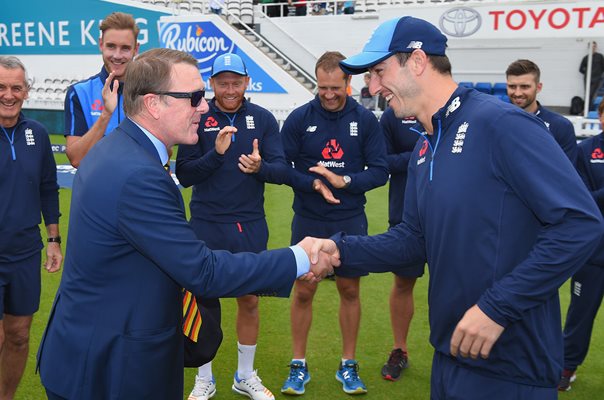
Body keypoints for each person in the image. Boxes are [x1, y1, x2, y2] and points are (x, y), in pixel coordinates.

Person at [309, 16, 603, 399]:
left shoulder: (501, 124)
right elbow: (414, 240)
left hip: (512, 365)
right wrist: (341, 250)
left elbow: (579, 224)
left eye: (379, 71)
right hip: (449, 356)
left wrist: (498, 308)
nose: (374, 87)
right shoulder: (424, 145)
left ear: (416, 61)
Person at [36, 48, 336, 400]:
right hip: (111, 368)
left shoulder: (122, 150)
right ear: (153, 104)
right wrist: (300, 257)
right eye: (193, 98)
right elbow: (204, 272)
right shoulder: (137, 174)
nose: (204, 107)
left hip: (99, 351)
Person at [176, 53, 289, 400]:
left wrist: (261, 167)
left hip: (250, 224)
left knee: (249, 299)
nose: (229, 89)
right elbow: (184, 174)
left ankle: (244, 375)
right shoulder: (197, 115)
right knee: (202, 302)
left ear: (246, 82)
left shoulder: (264, 119)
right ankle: (204, 377)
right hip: (207, 223)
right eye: (222, 82)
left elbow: (282, 169)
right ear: (211, 84)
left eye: (235, 82)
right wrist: (217, 155)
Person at [280, 51, 388, 396]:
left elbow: (380, 170)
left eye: (335, 87)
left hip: (350, 218)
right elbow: (283, 167)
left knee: (350, 289)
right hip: (309, 219)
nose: (328, 94)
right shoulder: (299, 118)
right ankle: (298, 365)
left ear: (348, 83)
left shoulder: (366, 120)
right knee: (304, 289)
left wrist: (346, 183)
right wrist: (312, 183)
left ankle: (348, 364)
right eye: (322, 87)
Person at [0, 56, 63, 399]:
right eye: (1, 87)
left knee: (19, 335)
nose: (8, 95)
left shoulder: (36, 134)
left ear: (26, 91)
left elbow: (48, 188)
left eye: (15, 87)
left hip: (25, 252)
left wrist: (53, 239)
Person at [558, 99, 604, 392]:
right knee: (580, 314)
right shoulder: (587, 150)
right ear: (600, 117)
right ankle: (566, 366)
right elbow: (580, 197)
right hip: (594, 252)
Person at [378, 107, 424, 382]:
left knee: (455, 285)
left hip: (450, 216)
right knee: (403, 283)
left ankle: (457, 351)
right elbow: (383, 161)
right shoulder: (394, 113)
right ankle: (400, 349)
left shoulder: (455, 109)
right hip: (406, 215)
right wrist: (425, 154)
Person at [64, 12, 140, 168]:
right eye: (111, 46)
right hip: (96, 190)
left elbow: (165, 153)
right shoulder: (79, 92)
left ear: (136, 49)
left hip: (139, 189)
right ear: (101, 44)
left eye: (125, 48)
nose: (117, 56)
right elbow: (76, 159)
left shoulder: (149, 91)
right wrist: (106, 114)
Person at [506, 59, 578, 164]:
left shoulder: (560, 126)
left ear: (538, 87)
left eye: (525, 87)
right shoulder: (495, 122)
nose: (517, 93)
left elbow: (568, 173)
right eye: (512, 86)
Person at [579, 42, 604, 109]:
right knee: (588, 95)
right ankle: (586, 109)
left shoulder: (600, 56)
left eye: (594, 46)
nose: (593, 48)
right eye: (591, 47)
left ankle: (593, 109)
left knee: (595, 95)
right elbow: (581, 69)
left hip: (598, 79)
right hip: (588, 79)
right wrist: (587, 73)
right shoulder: (586, 58)